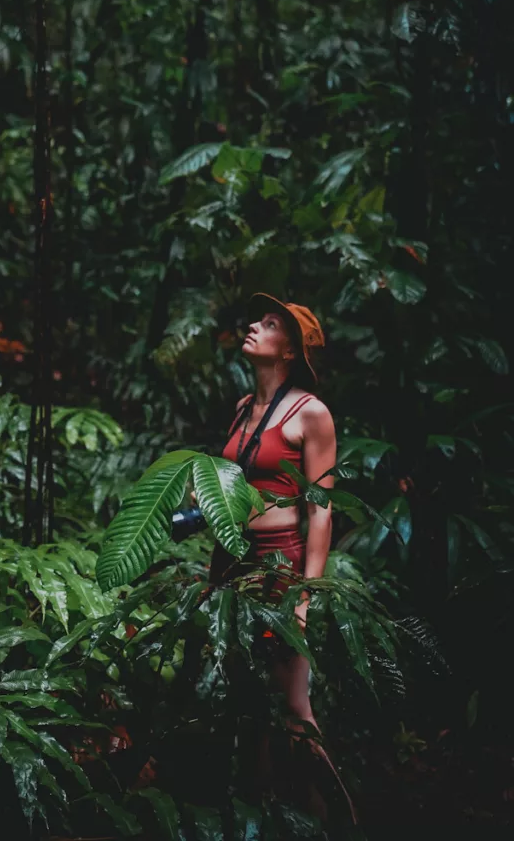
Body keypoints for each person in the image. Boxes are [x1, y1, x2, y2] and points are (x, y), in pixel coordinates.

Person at [209, 292, 358, 827]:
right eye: (259, 319)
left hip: (280, 567)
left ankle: (337, 821)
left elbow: (320, 510)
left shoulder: (310, 413)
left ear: (290, 351)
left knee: (294, 705)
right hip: (233, 562)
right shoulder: (242, 409)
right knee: (248, 700)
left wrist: (304, 596)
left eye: (270, 324)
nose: (254, 325)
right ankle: (264, 816)